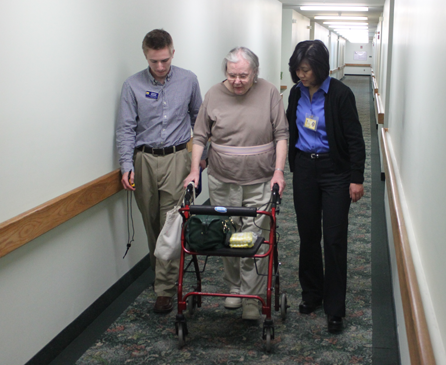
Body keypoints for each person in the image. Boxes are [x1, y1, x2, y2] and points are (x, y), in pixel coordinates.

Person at [183, 47, 288, 320]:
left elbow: (281, 135)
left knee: (253, 237)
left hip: (260, 180)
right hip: (222, 179)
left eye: (244, 75)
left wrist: (279, 172)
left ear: (255, 72)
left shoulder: (269, 93)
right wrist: (195, 170)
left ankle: (252, 297)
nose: (238, 81)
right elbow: (199, 136)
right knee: (227, 236)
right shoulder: (214, 94)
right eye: (232, 76)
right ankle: (234, 287)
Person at [116, 29, 205, 313]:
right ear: (146, 55)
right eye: (154, 61)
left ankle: (165, 289)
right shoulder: (132, 86)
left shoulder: (188, 80)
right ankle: (161, 275)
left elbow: (199, 120)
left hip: (177, 157)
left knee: (170, 222)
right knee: (151, 222)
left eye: (165, 60)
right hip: (144, 160)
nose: (160, 67)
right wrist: (126, 166)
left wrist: (202, 158)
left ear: (173, 52)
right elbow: (126, 129)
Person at [286, 40, 365, 334]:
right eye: (297, 70)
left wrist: (356, 177)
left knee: (333, 239)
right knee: (307, 235)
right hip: (305, 168)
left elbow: (355, 139)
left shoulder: (341, 95)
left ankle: (335, 308)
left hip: (335, 172)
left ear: (320, 69)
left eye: (305, 70)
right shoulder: (295, 94)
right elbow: (290, 127)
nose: (300, 75)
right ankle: (312, 295)